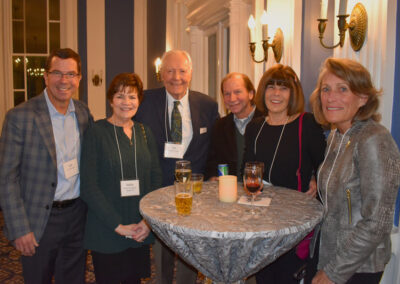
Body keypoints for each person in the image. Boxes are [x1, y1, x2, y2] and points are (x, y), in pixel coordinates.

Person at [0, 48, 92, 283]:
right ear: (46, 76)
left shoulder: (83, 113)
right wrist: (20, 228)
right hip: (39, 221)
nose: (64, 80)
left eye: (71, 74)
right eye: (57, 73)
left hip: (76, 217)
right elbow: (6, 178)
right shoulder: (20, 117)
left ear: (79, 78)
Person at [309, 58, 400, 284]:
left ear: (363, 97)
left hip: (357, 265)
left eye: (343, 89)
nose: (331, 97)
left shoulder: (373, 138)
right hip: (330, 252)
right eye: (326, 89)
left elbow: (377, 221)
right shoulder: (336, 135)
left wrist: (334, 272)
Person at [135, 49, 219, 284]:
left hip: (193, 196)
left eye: (182, 71)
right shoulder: (143, 101)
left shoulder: (208, 105)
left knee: (189, 257)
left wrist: (212, 177)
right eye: (170, 71)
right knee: (161, 259)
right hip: (158, 192)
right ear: (161, 73)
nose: (176, 77)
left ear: (190, 73)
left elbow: (215, 147)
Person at [242, 64, 326, 284]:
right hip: (261, 222)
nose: (276, 93)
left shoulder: (306, 124)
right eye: (271, 87)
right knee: (264, 278)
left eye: (283, 88)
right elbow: (246, 167)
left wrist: (316, 177)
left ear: (293, 94)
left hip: (293, 226)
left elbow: (326, 164)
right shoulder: (255, 127)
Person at [80, 73, 162, 283]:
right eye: (120, 96)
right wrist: (117, 225)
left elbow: (155, 181)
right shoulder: (96, 132)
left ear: (139, 100)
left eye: (132, 97)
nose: (126, 102)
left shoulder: (145, 133)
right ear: (110, 100)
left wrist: (147, 222)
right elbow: (89, 186)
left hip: (139, 229)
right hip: (107, 230)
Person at [205, 72, 264, 180]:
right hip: (229, 193)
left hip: (261, 192)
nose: (232, 99)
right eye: (227, 94)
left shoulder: (267, 122)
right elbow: (212, 161)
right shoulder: (219, 126)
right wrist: (213, 176)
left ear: (250, 94)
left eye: (237, 92)